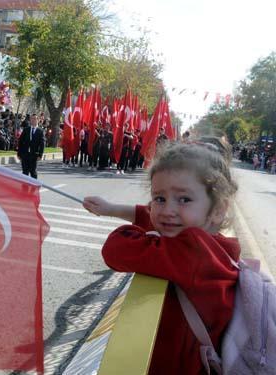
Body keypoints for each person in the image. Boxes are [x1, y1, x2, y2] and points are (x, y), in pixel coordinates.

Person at [82, 140, 239, 374]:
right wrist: (112, 209)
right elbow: (155, 219)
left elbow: (116, 249)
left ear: (218, 209)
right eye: (159, 198)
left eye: (184, 199)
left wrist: (136, 223)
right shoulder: (218, 247)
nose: (167, 210)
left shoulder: (194, 253)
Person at [17, 113, 45, 179]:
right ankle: (24, 188)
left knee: (33, 172)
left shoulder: (40, 131)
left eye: (35, 119)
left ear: (37, 120)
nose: (33, 120)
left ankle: (34, 187)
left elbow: (42, 144)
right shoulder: (26, 130)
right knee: (25, 172)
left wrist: (40, 154)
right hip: (25, 154)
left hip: (34, 155)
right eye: (32, 119)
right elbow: (20, 142)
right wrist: (19, 153)